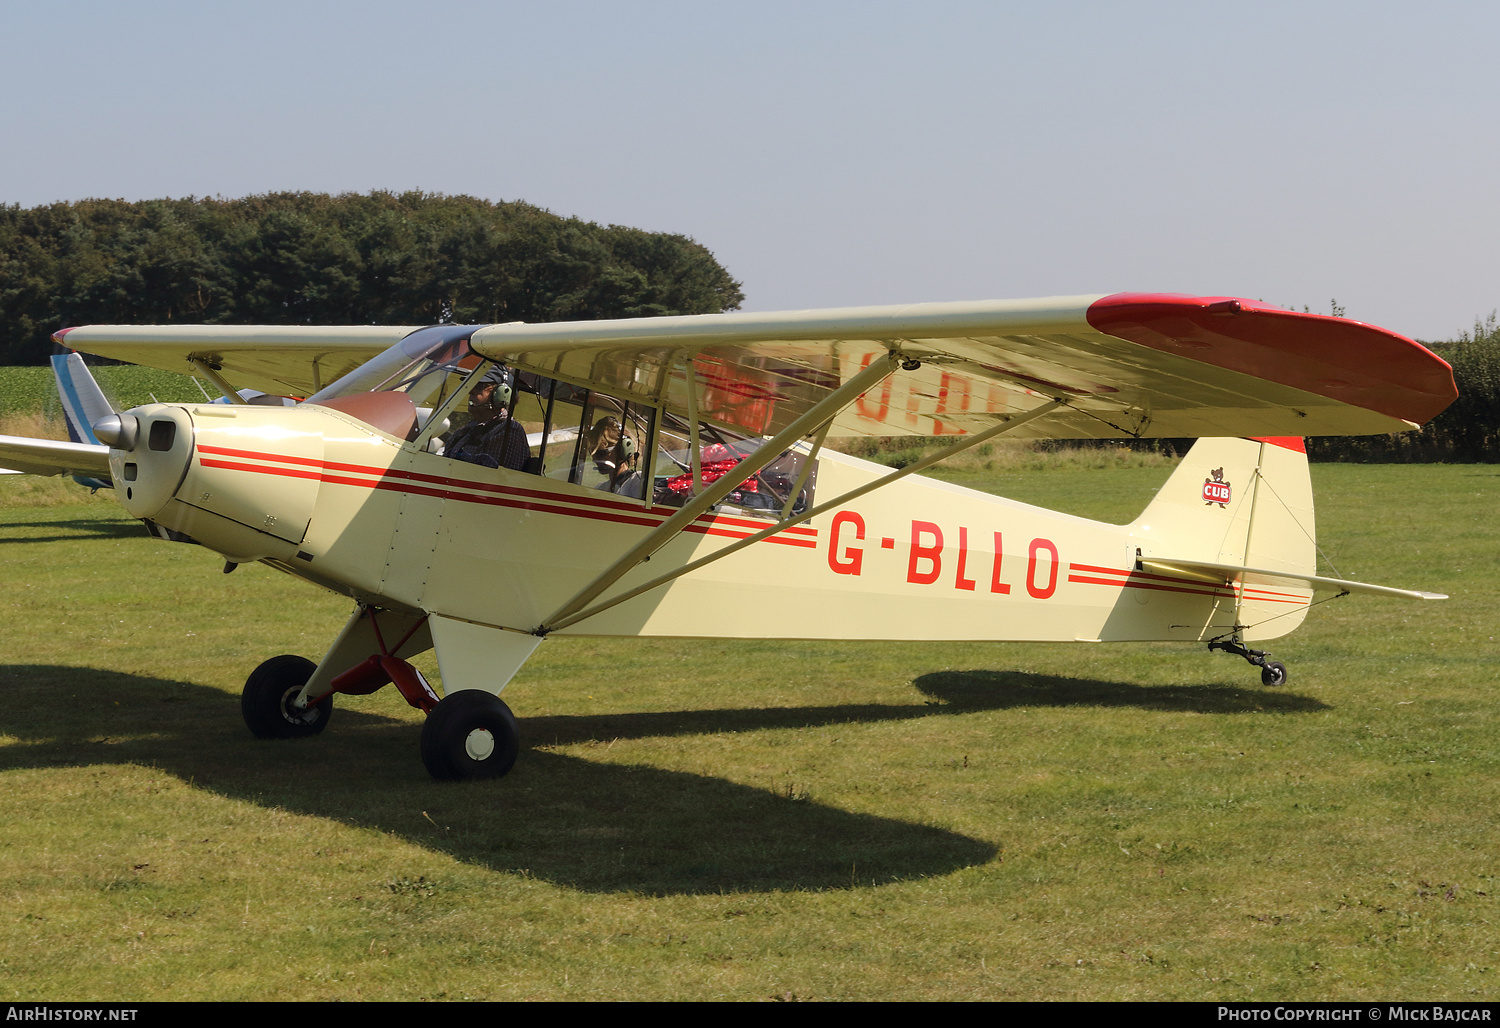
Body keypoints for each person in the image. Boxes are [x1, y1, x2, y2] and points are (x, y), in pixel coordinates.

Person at [444, 370, 530, 471]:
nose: (471, 391)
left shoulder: (509, 430)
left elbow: (494, 478)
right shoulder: (463, 432)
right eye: (471, 385)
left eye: (479, 386)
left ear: (501, 395)